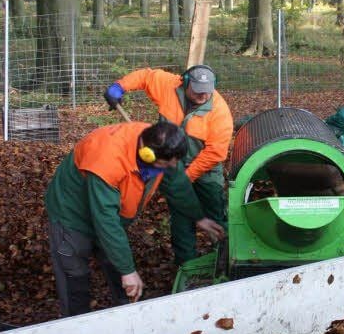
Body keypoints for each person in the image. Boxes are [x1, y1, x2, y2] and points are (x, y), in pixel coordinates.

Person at [45, 121, 225, 317]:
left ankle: (126, 309)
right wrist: (128, 270)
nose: (172, 167)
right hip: (71, 212)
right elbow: (107, 222)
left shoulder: (163, 146)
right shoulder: (107, 162)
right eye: (166, 165)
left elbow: (177, 183)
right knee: (75, 274)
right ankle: (75, 322)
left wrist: (198, 217)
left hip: (108, 210)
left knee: (116, 258)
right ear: (146, 154)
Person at [103, 65, 233, 266]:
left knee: (215, 212)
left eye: (207, 91)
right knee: (181, 217)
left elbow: (216, 152)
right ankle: (186, 264)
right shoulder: (169, 86)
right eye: (198, 90)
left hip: (206, 167)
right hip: (172, 161)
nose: (203, 95)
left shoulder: (220, 111)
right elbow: (146, 77)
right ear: (186, 83)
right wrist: (120, 86)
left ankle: (225, 257)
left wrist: (186, 177)